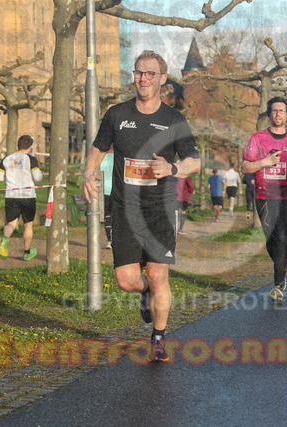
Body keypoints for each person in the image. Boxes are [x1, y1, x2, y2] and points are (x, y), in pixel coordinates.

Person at [83, 50, 200, 363]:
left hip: (160, 209)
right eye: (138, 72)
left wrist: (172, 168)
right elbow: (98, 148)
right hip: (124, 209)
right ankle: (144, 291)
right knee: (126, 281)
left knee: (159, 276)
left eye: (150, 73)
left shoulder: (174, 120)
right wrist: (88, 173)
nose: (143, 78)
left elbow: (194, 161)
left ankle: (159, 337)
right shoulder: (116, 114)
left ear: (163, 79)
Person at [241, 96, 287, 301]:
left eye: (281, 111)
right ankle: (282, 268)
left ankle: (277, 284)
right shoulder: (257, 139)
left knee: (283, 237)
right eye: (274, 111)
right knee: (271, 240)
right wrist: (264, 162)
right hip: (264, 196)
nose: (278, 114)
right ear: (269, 115)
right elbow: (245, 167)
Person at [0, 135, 43, 262]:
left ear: (18, 145)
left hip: (11, 196)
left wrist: (11, 178)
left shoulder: (6, 159)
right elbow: (38, 177)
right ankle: (27, 253)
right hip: (28, 196)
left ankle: (5, 239)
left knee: (11, 223)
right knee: (28, 225)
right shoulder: (31, 159)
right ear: (30, 147)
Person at [99, 150, 114, 248]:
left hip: (104, 190)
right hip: (115, 190)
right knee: (114, 215)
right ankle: (112, 239)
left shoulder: (100, 157)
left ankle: (110, 239)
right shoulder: (119, 156)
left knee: (107, 215)